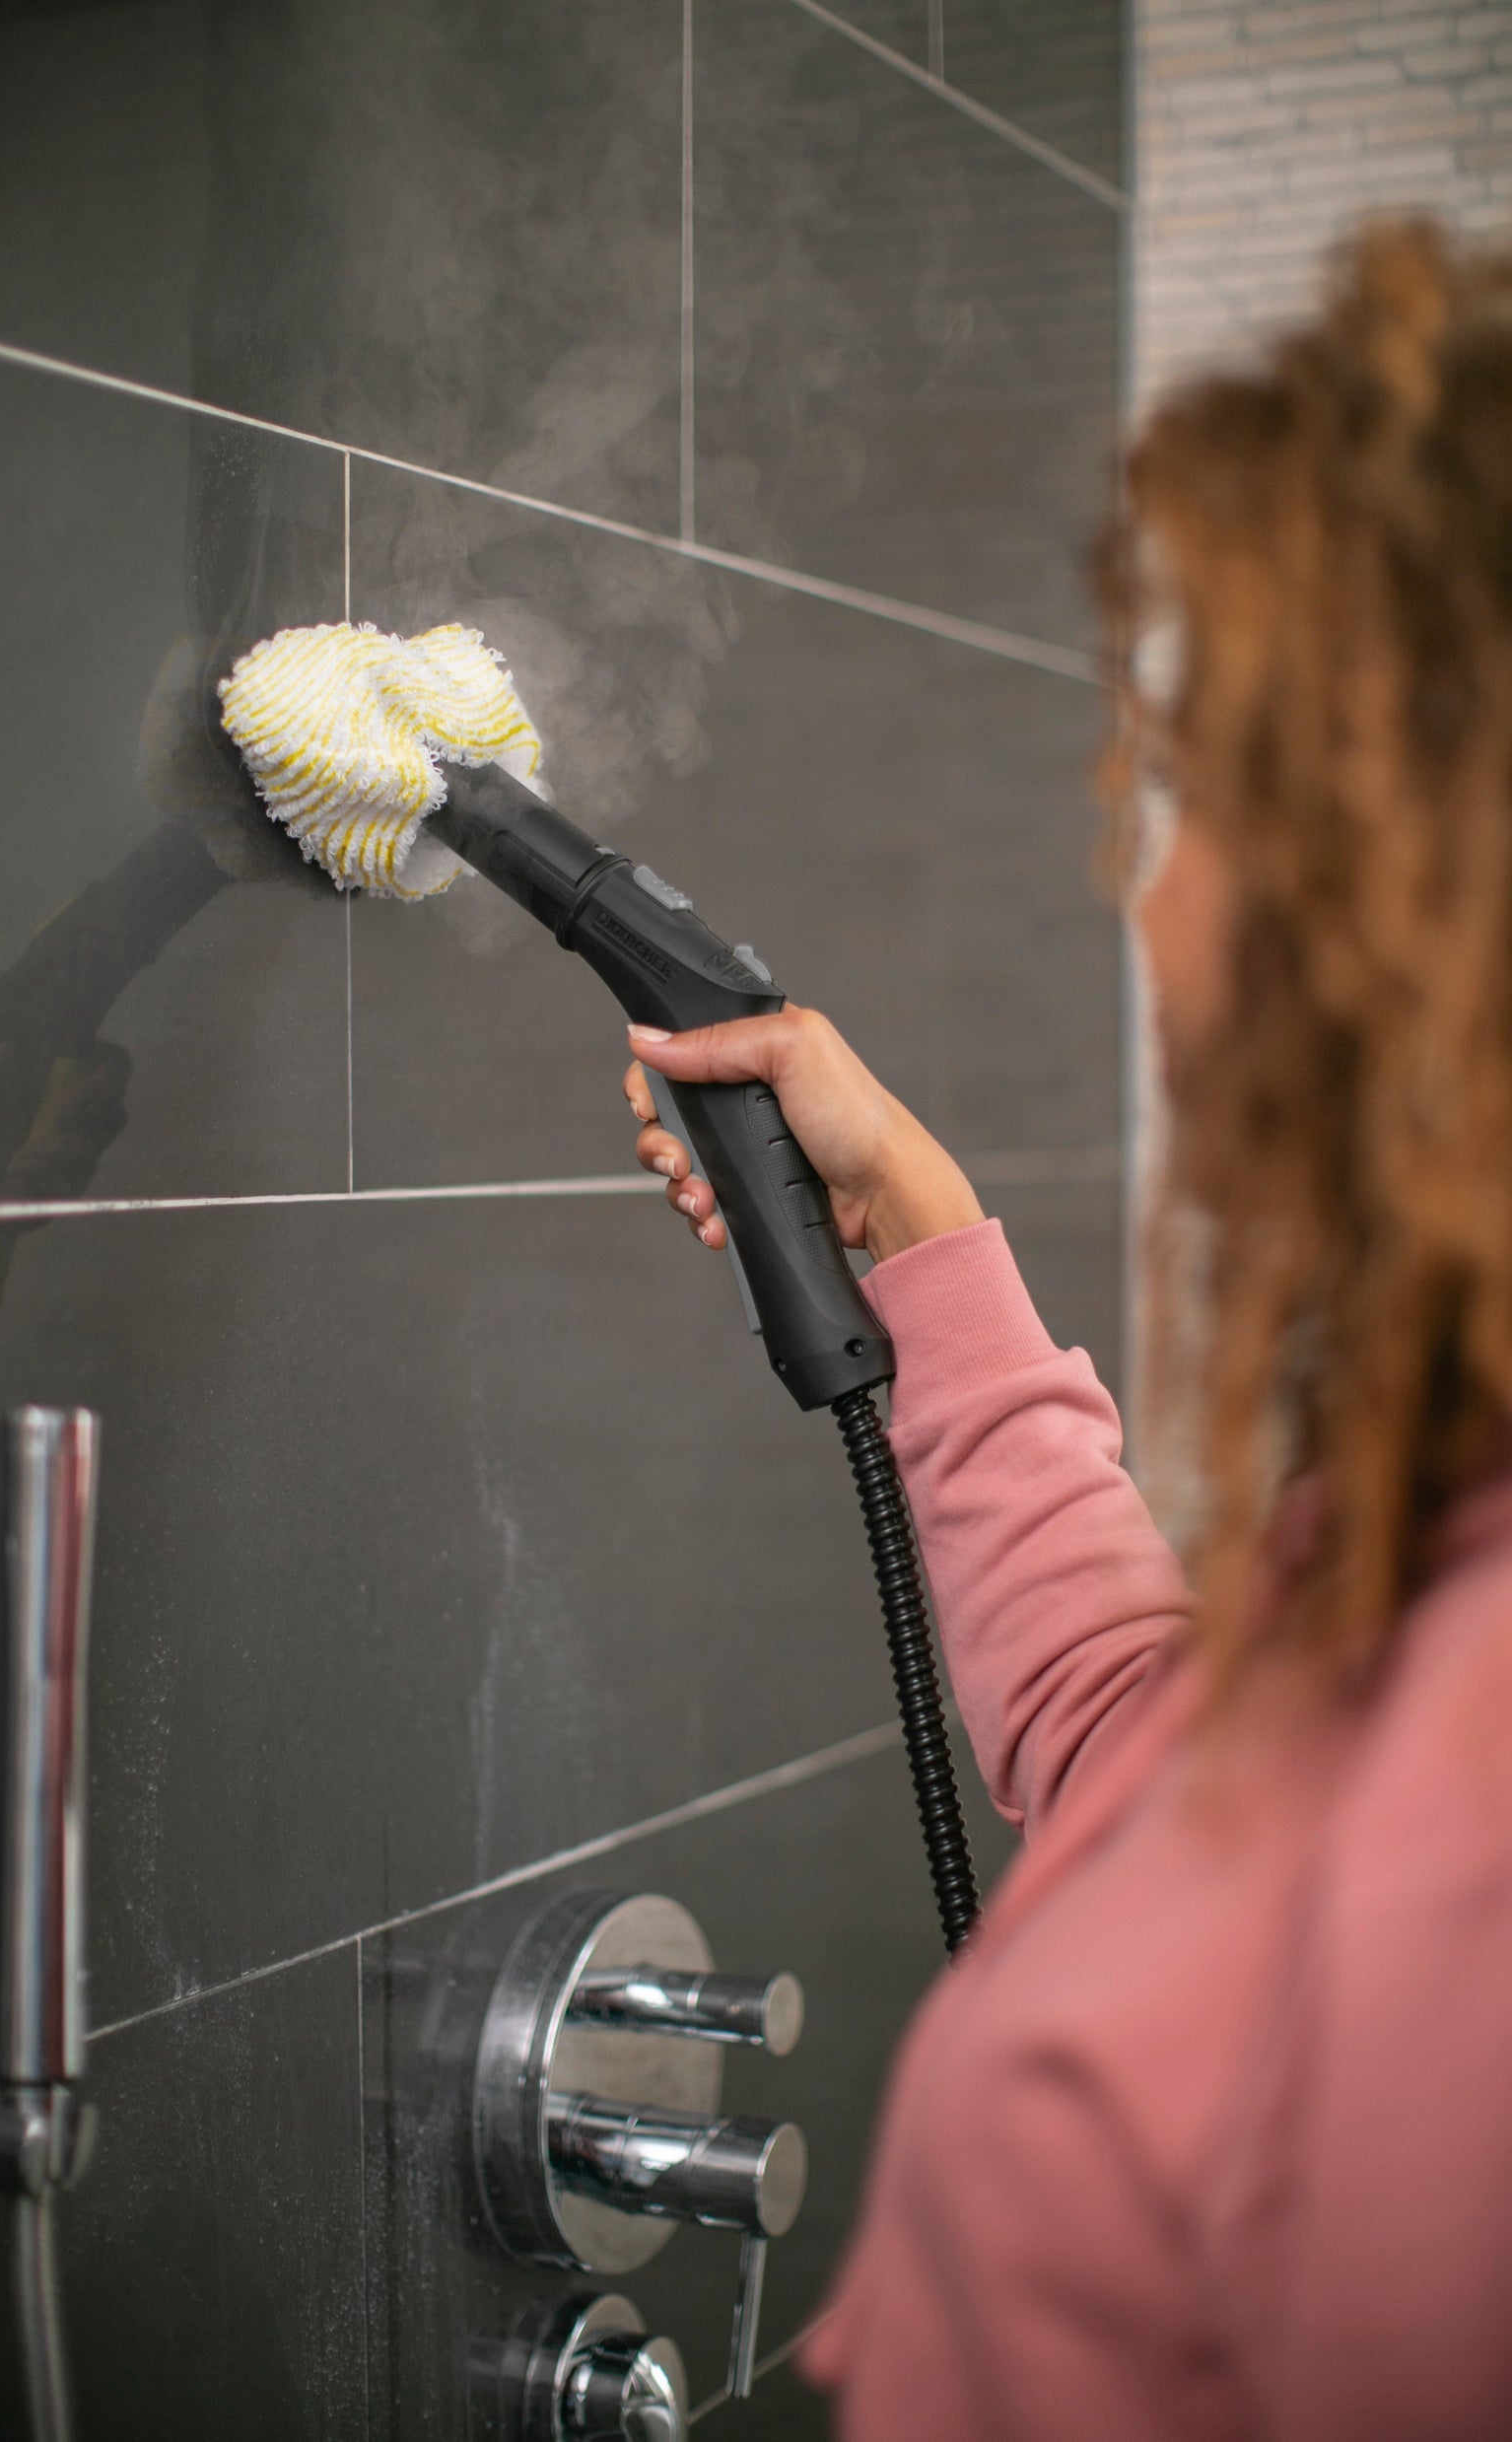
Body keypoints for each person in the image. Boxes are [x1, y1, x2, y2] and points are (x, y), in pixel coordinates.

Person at [622, 220, 1512, 2439]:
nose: (1150, 883)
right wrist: (918, 1235)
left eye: (1206, 790)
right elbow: (1156, 1756)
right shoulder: (1437, 1553)